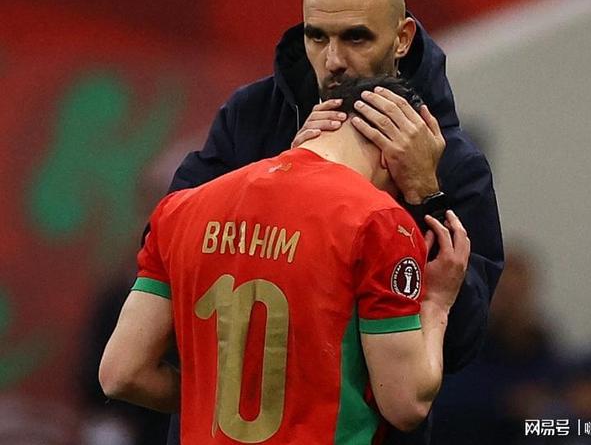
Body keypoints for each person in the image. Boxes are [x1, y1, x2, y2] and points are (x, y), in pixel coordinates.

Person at [166, 0, 503, 442]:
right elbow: (167, 257)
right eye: (317, 37)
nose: (333, 60)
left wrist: (425, 194)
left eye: (356, 38)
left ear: (402, 38)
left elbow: (461, 345)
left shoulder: (451, 162)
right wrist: (285, 176)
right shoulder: (250, 117)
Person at [99, 76, 471, 444]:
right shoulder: (379, 222)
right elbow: (406, 404)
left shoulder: (180, 210)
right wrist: (436, 304)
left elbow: (121, 373)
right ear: (396, 151)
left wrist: (216, 398)